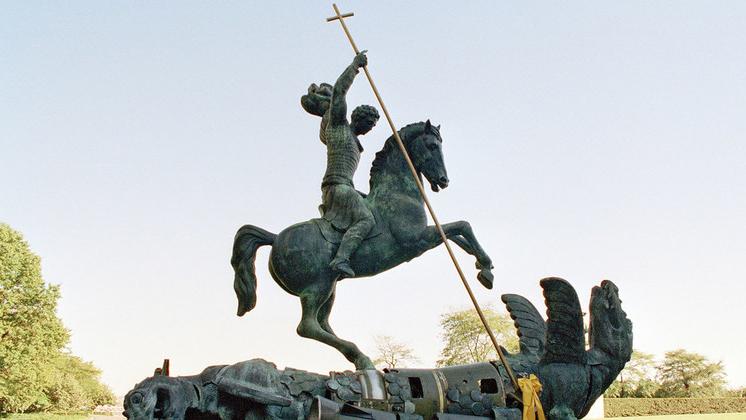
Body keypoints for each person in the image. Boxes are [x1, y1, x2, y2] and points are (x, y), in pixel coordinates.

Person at [301, 51, 380, 278]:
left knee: (373, 207)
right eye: (369, 122)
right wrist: (355, 66)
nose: (369, 128)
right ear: (358, 117)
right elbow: (339, 92)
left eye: (372, 126)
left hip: (345, 187)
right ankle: (341, 258)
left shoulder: (355, 142)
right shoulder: (338, 125)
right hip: (336, 187)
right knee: (366, 219)